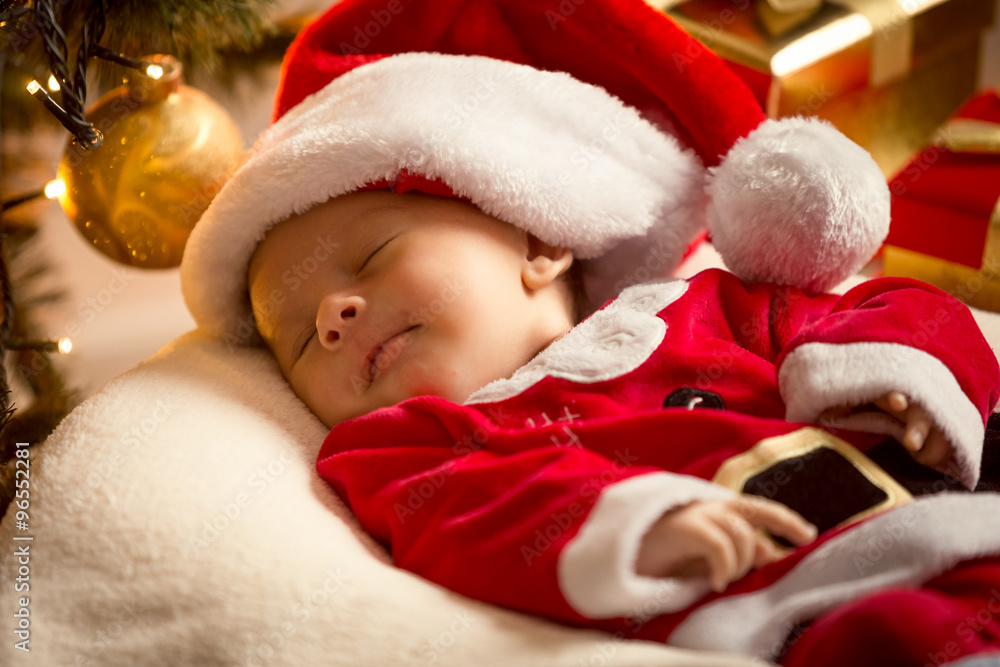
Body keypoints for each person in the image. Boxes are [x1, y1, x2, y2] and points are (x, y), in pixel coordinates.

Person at [179, 0, 1000, 664]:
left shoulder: (711, 304)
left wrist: (898, 375)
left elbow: (894, 306)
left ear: (537, 240)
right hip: (821, 607)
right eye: (294, 336)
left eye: (373, 254)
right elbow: (473, 520)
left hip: (953, 504)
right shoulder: (414, 449)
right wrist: (633, 524)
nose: (330, 314)